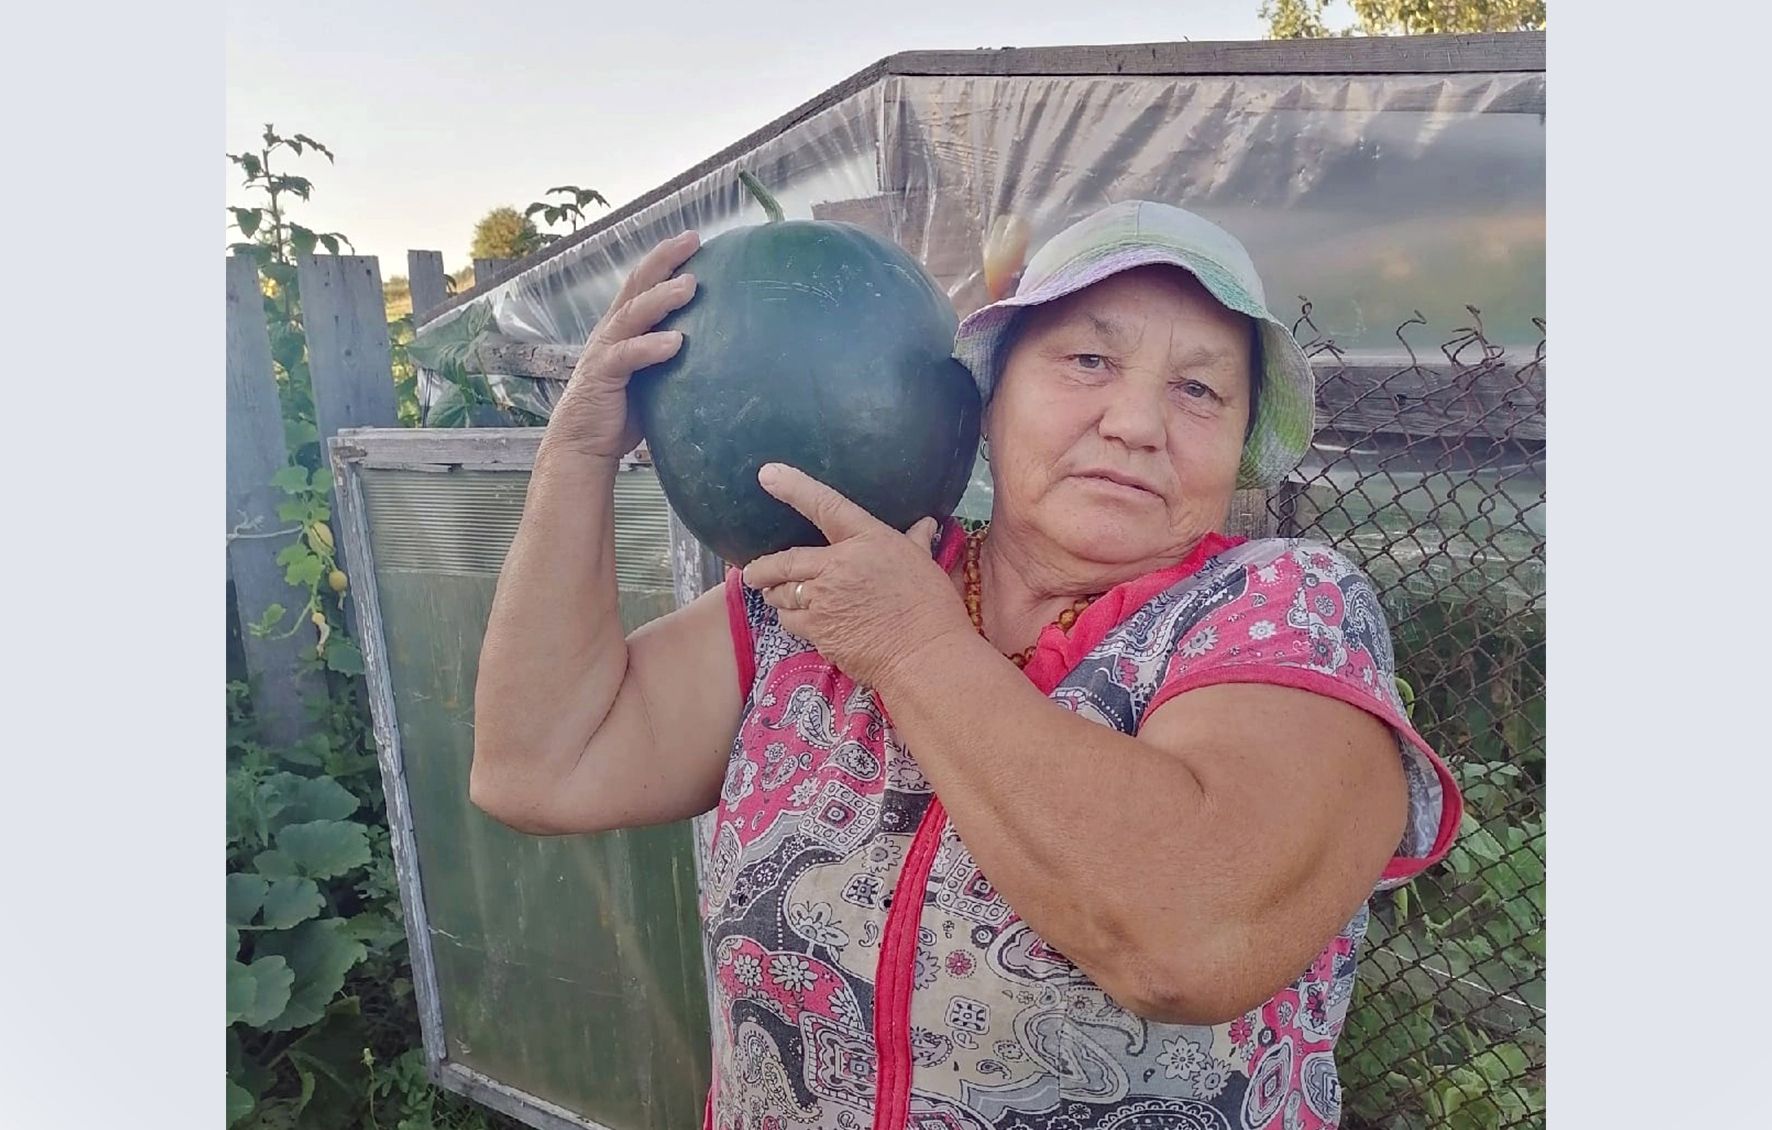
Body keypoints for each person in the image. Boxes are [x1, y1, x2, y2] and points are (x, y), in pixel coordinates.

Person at [470, 200, 1461, 1130]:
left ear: (1241, 441)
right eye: (1087, 359)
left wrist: (914, 648)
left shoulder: (1286, 610)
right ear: (987, 398)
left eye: (1197, 389)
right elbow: (539, 766)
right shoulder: (823, 592)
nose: (1134, 422)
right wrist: (576, 456)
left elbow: (1190, 940)